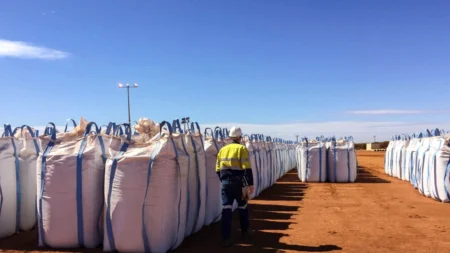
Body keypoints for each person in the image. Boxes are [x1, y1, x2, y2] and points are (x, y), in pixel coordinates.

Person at [216, 126, 255, 247]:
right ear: (240, 137)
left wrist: (224, 181)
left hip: (226, 183)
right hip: (239, 183)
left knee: (226, 210)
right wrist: (250, 184)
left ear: (230, 137)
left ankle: (226, 238)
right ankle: (245, 231)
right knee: (243, 207)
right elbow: (247, 168)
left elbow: (218, 169)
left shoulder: (222, 150)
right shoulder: (242, 149)